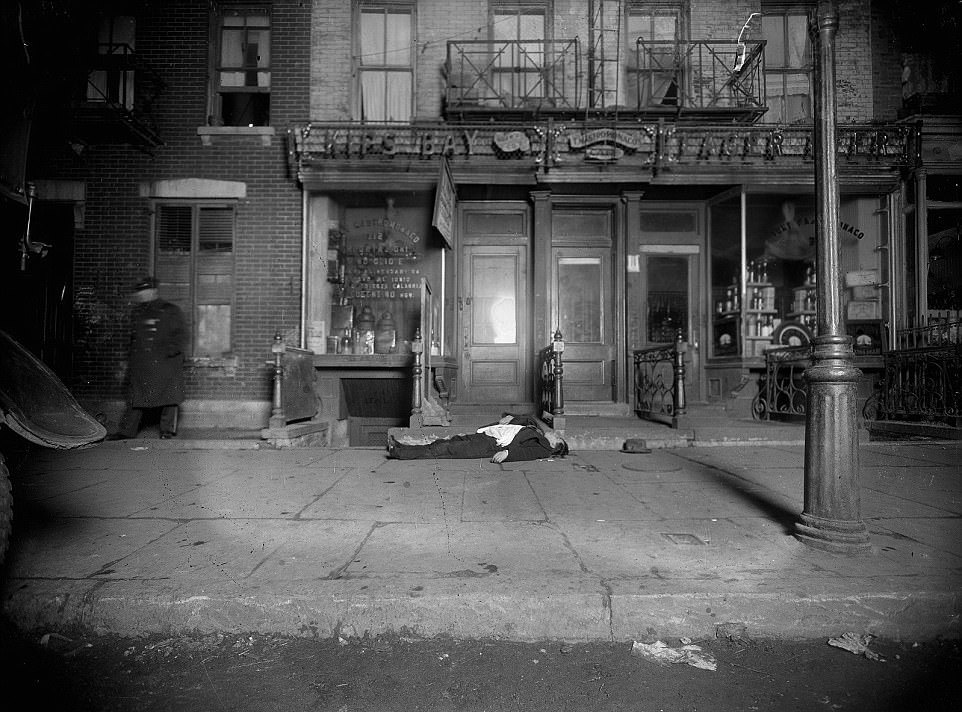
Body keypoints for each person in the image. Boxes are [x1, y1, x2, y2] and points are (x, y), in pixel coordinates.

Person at [109, 276, 187, 440]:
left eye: (145, 291)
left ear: (153, 291)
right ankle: (126, 431)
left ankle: (167, 431)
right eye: (140, 292)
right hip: (141, 364)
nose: (141, 295)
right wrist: (126, 362)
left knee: (169, 398)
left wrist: (170, 353)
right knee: (136, 398)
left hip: (165, 363)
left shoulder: (170, 310)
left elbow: (181, 337)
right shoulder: (137, 312)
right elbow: (132, 339)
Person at [387, 414, 568, 462]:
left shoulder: (544, 446)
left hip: (491, 445)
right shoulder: (536, 430)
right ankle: (401, 447)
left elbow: (528, 453)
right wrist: (512, 419)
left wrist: (508, 454)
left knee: (445, 449)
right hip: (488, 435)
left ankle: (399, 452)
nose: (554, 434)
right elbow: (528, 418)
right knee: (446, 443)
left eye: (557, 437)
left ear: (555, 445)